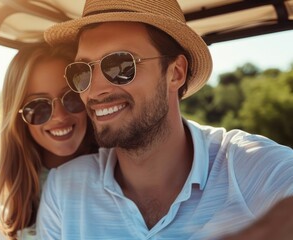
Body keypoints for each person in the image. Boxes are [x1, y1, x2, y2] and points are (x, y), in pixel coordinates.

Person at [36, 0, 293, 239]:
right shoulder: (64, 190)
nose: (95, 90)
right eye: (82, 71)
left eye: (120, 66)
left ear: (175, 73)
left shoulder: (247, 166)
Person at [0, 43, 97, 240]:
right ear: (18, 116)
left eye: (71, 97)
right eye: (39, 107)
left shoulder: (120, 174)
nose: (60, 116)